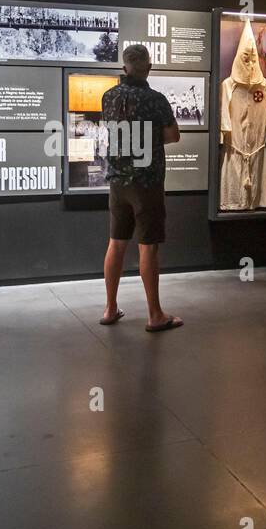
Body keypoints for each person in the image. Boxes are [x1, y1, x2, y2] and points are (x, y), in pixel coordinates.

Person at [98, 43, 182, 333]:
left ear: (124, 68)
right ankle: (155, 314)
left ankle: (110, 308)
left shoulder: (108, 97)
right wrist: (149, 134)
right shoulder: (156, 100)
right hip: (147, 183)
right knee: (148, 247)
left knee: (116, 242)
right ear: (149, 67)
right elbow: (173, 135)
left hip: (118, 183)